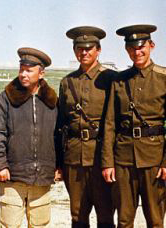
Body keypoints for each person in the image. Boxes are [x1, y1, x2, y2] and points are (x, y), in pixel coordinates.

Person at [101, 25, 166, 228]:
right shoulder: (119, 81)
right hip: (123, 159)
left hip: (154, 159)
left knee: (155, 219)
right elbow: (110, 123)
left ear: (151, 46)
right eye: (131, 49)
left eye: (141, 47)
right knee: (124, 219)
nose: (137, 52)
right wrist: (108, 162)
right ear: (127, 50)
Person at [0, 47, 59, 228]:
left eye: (29, 70)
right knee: (10, 225)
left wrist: (58, 166)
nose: (24, 74)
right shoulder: (5, 100)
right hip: (12, 176)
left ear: (41, 73)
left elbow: (58, 136)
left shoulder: (52, 102)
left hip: (42, 176)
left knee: (40, 225)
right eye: (21, 69)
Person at [56, 26, 116, 228]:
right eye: (79, 48)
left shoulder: (111, 79)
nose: (84, 52)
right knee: (78, 215)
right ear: (74, 51)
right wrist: (59, 162)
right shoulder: (67, 82)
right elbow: (61, 124)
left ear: (98, 50)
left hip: (101, 157)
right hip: (74, 158)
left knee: (106, 214)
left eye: (89, 48)